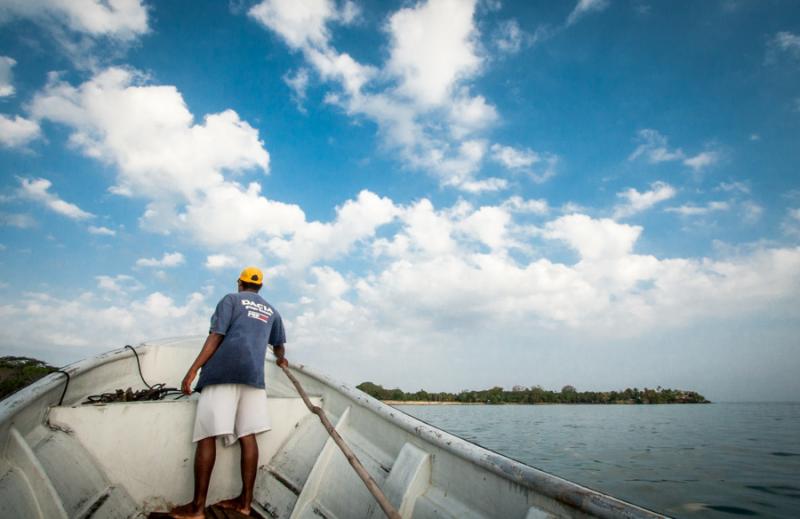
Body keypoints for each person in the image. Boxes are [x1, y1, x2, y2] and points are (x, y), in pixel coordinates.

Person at [170, 266, 287, 519]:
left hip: (223, 372)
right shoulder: (272, 311)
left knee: (206, 436)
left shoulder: (231, 300)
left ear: (240, 283)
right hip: (254, 378)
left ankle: (197, 508)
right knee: (248, 435)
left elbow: (216, 336)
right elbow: (279, 347)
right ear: (260, 287)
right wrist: (281, 360)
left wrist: (192, 371)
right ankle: (245, 504)